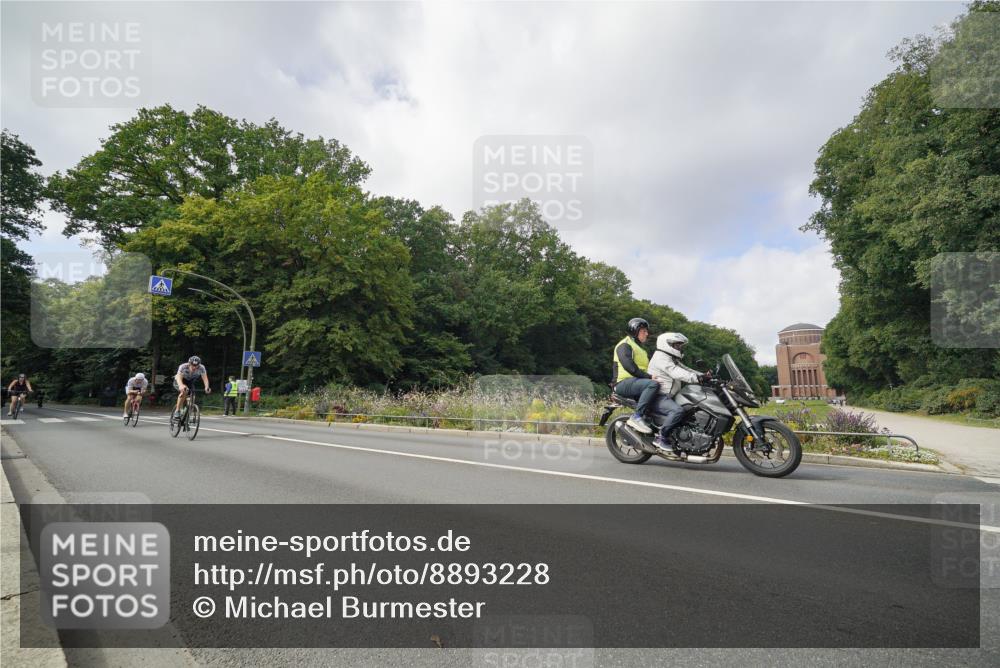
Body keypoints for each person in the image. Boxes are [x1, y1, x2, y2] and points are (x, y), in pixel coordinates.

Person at [647, 332, 710, 450]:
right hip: (659, 396)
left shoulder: (670, 358)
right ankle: (661, 437)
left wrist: (704, 376)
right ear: (667, 344)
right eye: (677, 345)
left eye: (680, 345)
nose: (679, 348)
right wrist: (697, 378)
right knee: (678, 411)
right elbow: (675, 371)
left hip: (670, 395)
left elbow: (685, 369)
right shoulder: (661, 357)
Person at [612, 318, 658, 433]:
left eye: (647, 331)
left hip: (636, 382)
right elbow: (630, 367)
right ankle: (637, 417)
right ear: (635, 331)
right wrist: (649, 377)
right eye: (644, 331)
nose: (647, 334)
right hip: (622, 383)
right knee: (652, 384)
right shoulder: (624, 345)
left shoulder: (641, 350)